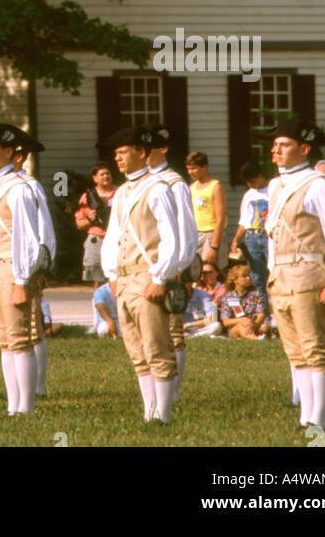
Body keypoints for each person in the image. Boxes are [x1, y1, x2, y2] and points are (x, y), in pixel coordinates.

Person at [265, 118, 325, 430]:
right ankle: (306, 415)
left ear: (304, 148)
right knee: (295, 352)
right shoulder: (275, 185)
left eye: (285, 145)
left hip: (307, 275)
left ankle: (318, 420)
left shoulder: (317, 185)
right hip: (280, 276)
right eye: (275, 145)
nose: (276, 150)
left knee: (314, 349)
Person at [101, 126, 180, 424]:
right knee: (136, 350)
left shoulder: (157, 187)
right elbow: (112, 237)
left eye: (123, 152)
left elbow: (170, 237)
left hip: (148, 276)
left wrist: (160, 278)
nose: (117, 158)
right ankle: (150, 412)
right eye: (116, 154)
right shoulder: (121, 192)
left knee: (157, 347)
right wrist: (111, 273)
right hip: (124, 279)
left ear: (142, 153)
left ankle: (163, 415)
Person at [0, 123, 47, 415]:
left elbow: (27, 237)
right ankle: (12, 404)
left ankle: (26, 406)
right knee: (4, 340)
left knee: (20, 340)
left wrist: (21, 279)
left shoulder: (20, 189)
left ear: (8, 152)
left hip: (11, 269)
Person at [146, 125, 199, 403]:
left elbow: (184, 227)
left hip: (170, 264)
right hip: (145, 265)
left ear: (163, 149)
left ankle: (173, 392)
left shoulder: (173, 182)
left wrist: (179, 265)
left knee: (173, 331)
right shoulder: (140, 182)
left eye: (150, 147)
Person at [12, 134, 57, 397]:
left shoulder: (29, 186)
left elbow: (41, 228)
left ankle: (37, 387)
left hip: (29, 263)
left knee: (31, 325)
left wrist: (38, 265)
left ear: (17, 157)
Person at [72, 162, 116, 284]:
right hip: (96, 240)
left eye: (108, 173)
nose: (106, 176)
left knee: (117, 278)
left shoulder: (121, 192)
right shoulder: (88, 197)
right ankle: (98, 302)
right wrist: (90, 220)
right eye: (102, 174)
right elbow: (79, 224)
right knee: (98, 281)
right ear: (95, 178)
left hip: (116, 240)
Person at [229, 162, 270, 290]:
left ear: (260, 176)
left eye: (252, 181)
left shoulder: (273, 190)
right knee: (257, 276)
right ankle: (262, 309)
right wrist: (236, 239)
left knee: (275, 274)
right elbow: (244, 221)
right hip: (252, 236)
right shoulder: (249, 195)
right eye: (247, 182)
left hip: (269, 236)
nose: (250, 185)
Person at [185, 151, 228, 271]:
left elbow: (221, 218)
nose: (190, 172)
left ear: (204, 166)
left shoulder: (215, 186)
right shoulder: (192, 187)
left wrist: (214, 246)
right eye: (188, 169)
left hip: (212, 234)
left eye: (194, 168)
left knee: (213, 271)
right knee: (197, 272)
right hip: (196, 234)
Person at [219, 263, 269, 339]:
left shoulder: (257, 294)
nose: (248, 278)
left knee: (264, 327)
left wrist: (253, 325)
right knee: (240, 327)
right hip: (236, 327)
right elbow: (226, 322)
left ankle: (249, 336)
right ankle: (255, 339)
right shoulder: (228, 297)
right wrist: (243, 320)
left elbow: (261, 315)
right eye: (244, 276)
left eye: (249, 276)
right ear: (235, 280)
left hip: (253, 325)